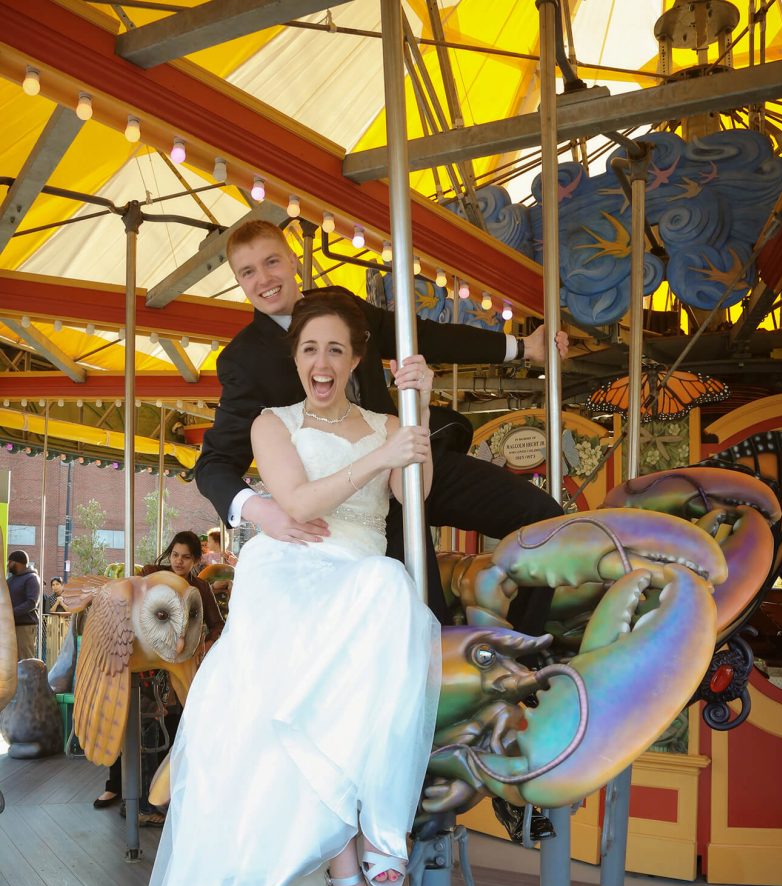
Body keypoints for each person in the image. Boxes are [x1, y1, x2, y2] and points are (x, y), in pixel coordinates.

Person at [137, 292, 440, 886]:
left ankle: (381, 835)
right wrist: (377, 453)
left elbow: (411, 497)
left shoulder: (387, 420)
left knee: (395, 592)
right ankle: (350, 884)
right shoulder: (273, 424)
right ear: (295, 359)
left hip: (360, 574)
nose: (322, 362)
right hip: (292, 570)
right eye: (309, 349)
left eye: (336, 348)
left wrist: (414, 414)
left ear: (358, 358)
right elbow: (297, 502)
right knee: (309, 682)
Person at [195, 219, 568, 636]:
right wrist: (262, 511)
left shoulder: (342, 305)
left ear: (294, 261)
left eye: (271, 262)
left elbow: (422, 335)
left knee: (544, 517)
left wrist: (520, 347)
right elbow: (213, 463)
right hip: (351, 507)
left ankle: (526, 648)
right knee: (426, 623)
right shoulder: (243, 360)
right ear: (238, 282)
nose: (263, 279)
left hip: (406, 462)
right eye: (248, 272)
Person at [94, 533, 224, 816]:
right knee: (129, 724)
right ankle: (118, 786)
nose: (179, 561)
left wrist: (203, 642)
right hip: (145, 667)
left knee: (169, 729)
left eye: (186, 557)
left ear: (195, 560)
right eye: (175, 554)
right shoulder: (151, 575)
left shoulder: (200, 587)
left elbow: (217, 624)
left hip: (176, 667)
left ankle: (157, 797)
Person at [6, 550, 41, 660]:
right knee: (10, 662)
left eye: (9, 562)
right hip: (10, 626)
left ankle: (29, 678)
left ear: (17, 562)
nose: (8, 565)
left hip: (25, 627)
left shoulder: (32, 578)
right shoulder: (10, 580)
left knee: (25, 661)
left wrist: (10, 613)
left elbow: (32, 603)